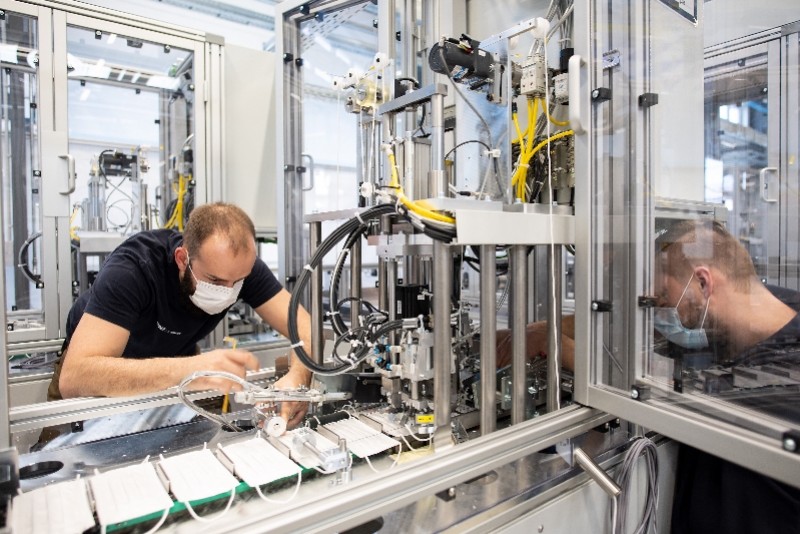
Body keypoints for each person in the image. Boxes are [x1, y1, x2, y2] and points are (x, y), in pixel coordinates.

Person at [47, 202, 313, 429]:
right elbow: (76, 377)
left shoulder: (239, 267)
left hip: (176, 364)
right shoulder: (134, 269)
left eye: (238, 281)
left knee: (195, 444)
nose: (228, 291)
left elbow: (306, 328)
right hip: (107, 369)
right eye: (214, 280)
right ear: (182, 259)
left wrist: (298, 378)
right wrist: (191, 370)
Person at [654, 219, 800, 534]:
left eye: (664, 294)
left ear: (703, 283)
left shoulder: (775, 390)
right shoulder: (766, 311)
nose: (661, 307)